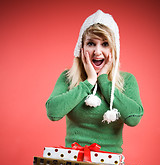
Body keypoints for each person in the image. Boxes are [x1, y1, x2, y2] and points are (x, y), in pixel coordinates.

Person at [45, 10, 143, 153]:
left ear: (113, 50)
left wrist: (104, 81)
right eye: (91, 43)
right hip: (73, 162)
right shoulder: (68, 77)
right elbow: (53, 112)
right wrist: (89, 81)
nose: (97, 51)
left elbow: (133, 119)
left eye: (105, 44)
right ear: (81, 48)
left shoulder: (127, 80)